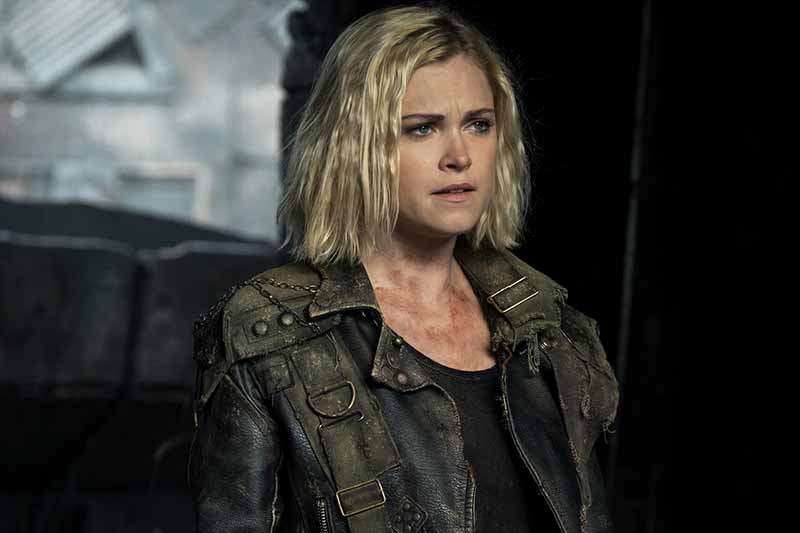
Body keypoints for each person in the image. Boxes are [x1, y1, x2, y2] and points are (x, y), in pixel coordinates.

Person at [188, 4, 620, 533]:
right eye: (422, 129)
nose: (459, 155)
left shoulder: (550, 326)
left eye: (479, 124)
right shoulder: (268, 336)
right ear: (355, 147)